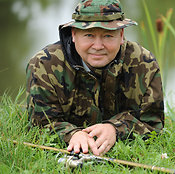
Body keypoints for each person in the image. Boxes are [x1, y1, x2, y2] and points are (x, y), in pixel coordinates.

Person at [26, 0, 164, 156]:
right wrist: (72, 134)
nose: (98, 46)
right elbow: (40, 124)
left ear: (121, 35)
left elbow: (153, 123)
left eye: (107, 35)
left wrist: (115, 129)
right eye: (89, 35)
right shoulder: (44, 65)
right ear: (73, 34)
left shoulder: (144, 63)